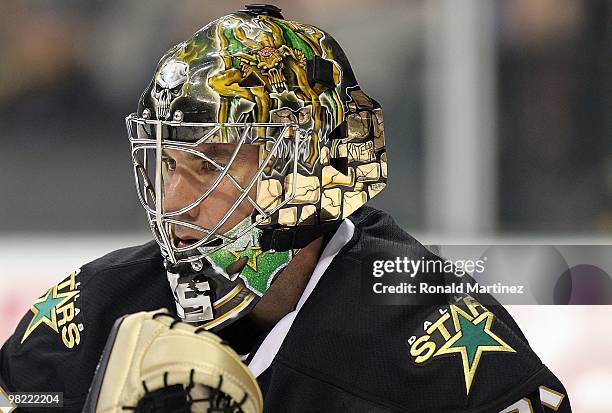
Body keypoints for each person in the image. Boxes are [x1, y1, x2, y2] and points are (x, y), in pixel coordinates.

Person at [0, 5, 571, 412]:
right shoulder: (87, 318)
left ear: (302, 168)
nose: (173, 204)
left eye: (210, 163)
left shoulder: (447, 353)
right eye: (168, 163)